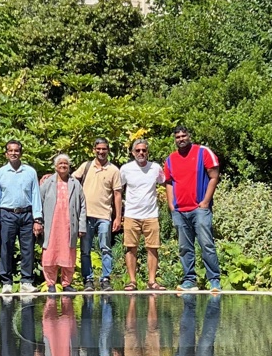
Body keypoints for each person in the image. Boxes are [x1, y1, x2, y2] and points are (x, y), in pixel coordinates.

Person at [160, 125, 220, 292]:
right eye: (178, 137)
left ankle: (214, 280)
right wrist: (171, 204)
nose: (181, 139)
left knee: (206, 243)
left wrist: (206, 202)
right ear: (175, 139)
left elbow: (214, 176)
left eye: (183, 136)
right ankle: (189, 280)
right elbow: (169, 182)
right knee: (185, 247)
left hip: (199, 208)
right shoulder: (170, 159)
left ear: (189, 136)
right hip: (180, 210)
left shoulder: (202, 152)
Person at [0, 138, 42, 294]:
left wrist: (37, 218)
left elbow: (36, 195)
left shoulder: (30, 172)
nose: (14, 153)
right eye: (11, 150)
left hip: (27, 214)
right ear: (6, 153)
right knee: (6, 248)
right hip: (7, 214)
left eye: (17, 150)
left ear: (21, 153)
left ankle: (26, 281)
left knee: (27, 249)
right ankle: (6, 282)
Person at [73, 137, 123, 289]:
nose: (101, 151)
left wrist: (118, 217)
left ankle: (105, 279)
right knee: (85, 250)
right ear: (94, 150)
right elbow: (70, 180)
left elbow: (117, 194)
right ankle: (88, 279)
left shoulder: (113, 170)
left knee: (105, 248)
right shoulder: (86, 166)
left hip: (104, 216)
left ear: (108, 150)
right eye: (98, 149)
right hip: (86, 216)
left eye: (104, 149)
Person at [118, 136, 166, 290]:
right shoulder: (125, 169)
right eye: (137, 150)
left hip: (151, 215)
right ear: (132, 152)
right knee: (130, 248)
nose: (141, 153)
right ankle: (132, 281)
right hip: (132, 215)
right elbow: (118, 189)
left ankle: (152, 281)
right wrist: (118, 215)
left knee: (153, 248)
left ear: (148, 152)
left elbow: (166, 182)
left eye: (144, 150)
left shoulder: (155, 168)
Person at [40, 151, 86, 293]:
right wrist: (38, 222)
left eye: (65, 163)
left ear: (69, 166)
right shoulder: (47, 183)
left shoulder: (75, 184)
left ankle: (66, 284)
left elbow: (83, 205)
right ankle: (51, 284)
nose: (63, 166)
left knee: (68, 253)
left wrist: (81, 226)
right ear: (55, 166)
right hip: (52, 225)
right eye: (60, 163)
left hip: (68, 225)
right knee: (50, 253)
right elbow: (38, 202)